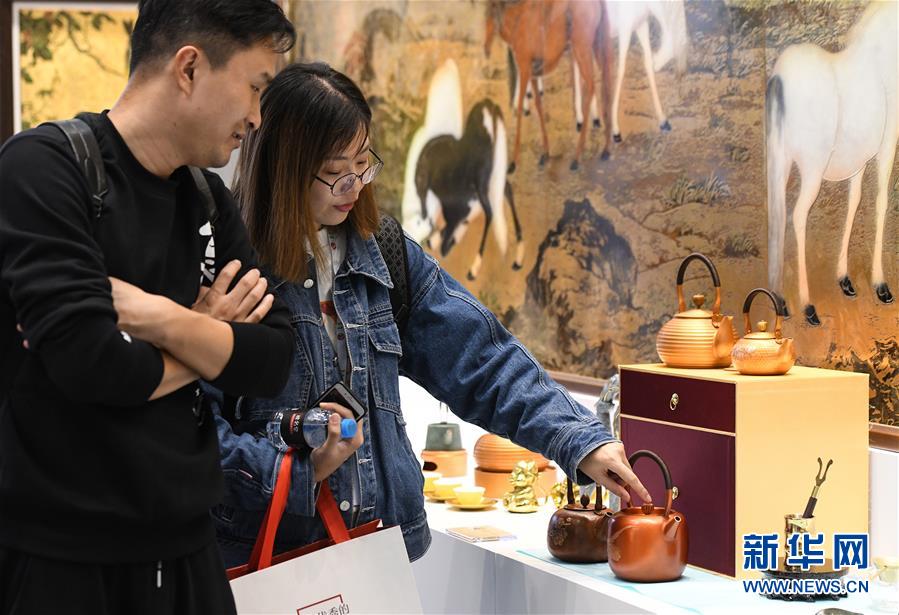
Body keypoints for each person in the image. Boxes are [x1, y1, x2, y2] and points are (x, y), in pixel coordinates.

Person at [209, 62, 651, 567]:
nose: (354, 186)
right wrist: (297, 471)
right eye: (334, 173)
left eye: (363, 164)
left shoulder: (385, 254)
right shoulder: (228, 269)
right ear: (283, 168)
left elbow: (482, 359)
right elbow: (192, 432)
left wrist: (578, 439)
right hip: (267, 562)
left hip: (378, 557)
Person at [0, 1, 296, 613]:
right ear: (189, 68)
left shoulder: (208, 200)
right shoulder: (44, 168)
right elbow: (90, 362)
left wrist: (161, 318)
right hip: (62, 559)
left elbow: (272, 360)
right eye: (254, 87)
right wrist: (212, 335)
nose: (256, 116)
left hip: (188, 548)